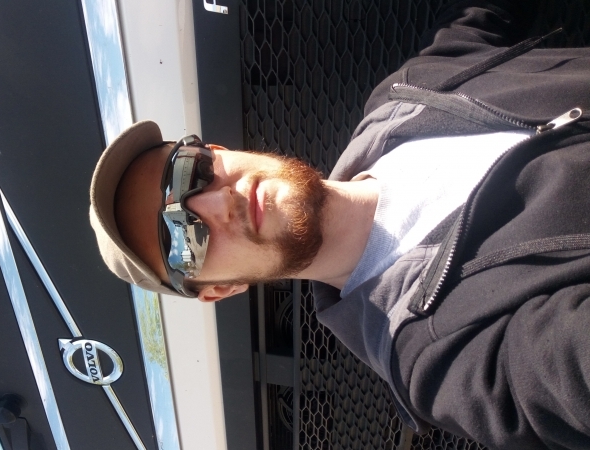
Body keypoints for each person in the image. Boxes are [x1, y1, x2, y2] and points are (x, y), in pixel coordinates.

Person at [89, 0, 590, 448]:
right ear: (221, 289)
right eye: (181, 238)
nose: (218, 202)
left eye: (188, 172)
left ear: (214, 150)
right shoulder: (444, 355)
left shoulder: (407, 95)